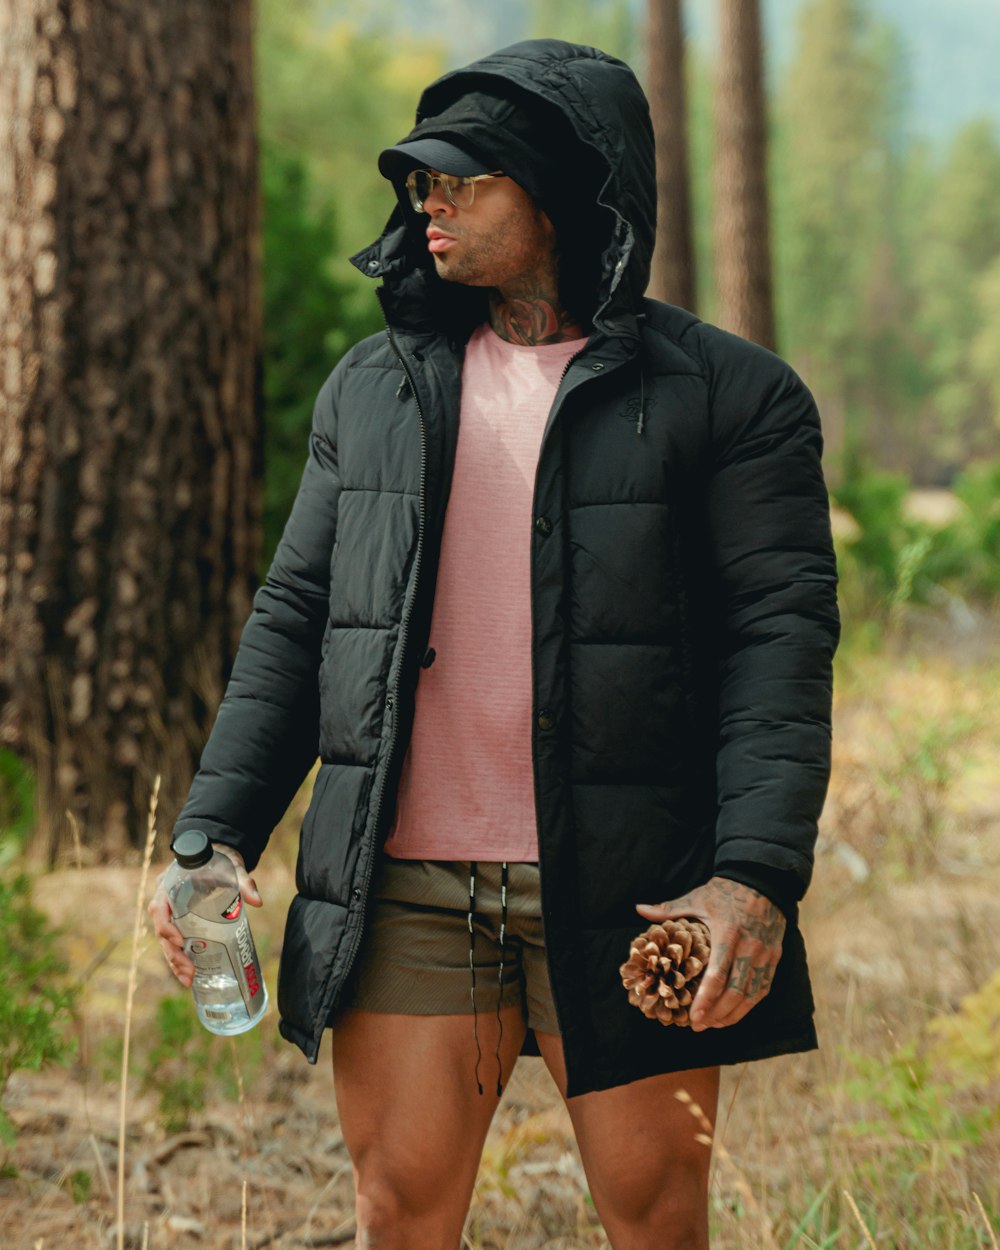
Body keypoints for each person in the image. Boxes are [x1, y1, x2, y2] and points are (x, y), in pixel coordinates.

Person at [150, 38, 839, 1249]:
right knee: (401, 1214)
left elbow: (779, 646)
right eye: (419, 181)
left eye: (463, 178)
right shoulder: (371, 389)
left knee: (656, 1220)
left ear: (566, 194)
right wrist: (211, 835)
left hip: (635, 888)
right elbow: (297, 623)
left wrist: (754, 874)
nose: (428, 201)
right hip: (407, 885)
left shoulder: (732, 397)